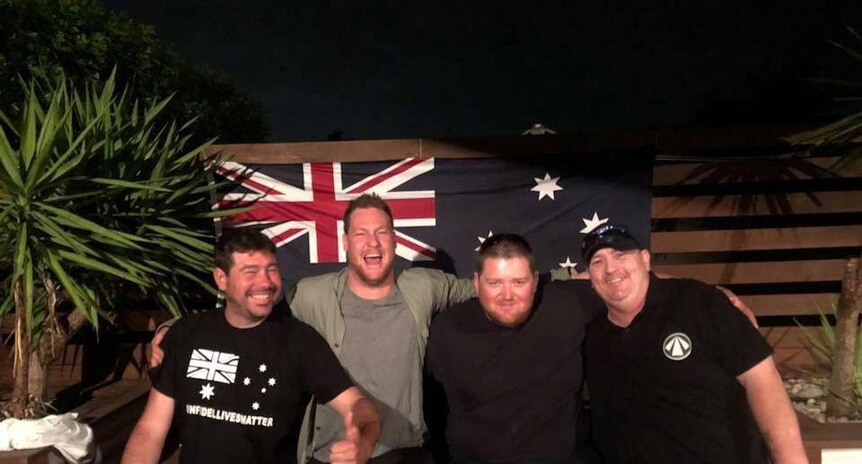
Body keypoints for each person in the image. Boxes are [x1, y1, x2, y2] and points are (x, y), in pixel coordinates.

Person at [150, 194, 478, 463]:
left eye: (381, 232)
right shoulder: (312, 294)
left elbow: (485, 289)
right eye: (361, 234)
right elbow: (248, 310)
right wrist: (173, 326)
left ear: (394, 239)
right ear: (346, 242)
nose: (372, 243)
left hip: (404, 453)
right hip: (330, 455)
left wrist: (520, 284)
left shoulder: (425, 286)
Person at [122, 228, 380, 464]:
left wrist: (364, 440)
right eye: (251, 271)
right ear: (221, 279)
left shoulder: (301, 342)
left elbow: (359, 406)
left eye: (271, 269)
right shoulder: (186, 335)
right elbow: (151, 430)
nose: (266, 282)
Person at [581, 224, 808, 464]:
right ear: (590, 278)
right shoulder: (594, 336)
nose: (611, 268)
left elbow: (764, 382)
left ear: (645, 259)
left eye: (620, 254)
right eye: (597, 261)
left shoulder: (701, 302)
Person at [427, 234, 605, 464]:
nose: (507, 296)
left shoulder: (566, 304)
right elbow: (434, 407)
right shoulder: (449, 329)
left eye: (518, 282)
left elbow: (626, 282)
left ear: (534, 281)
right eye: (495, 283)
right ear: (476, 282)